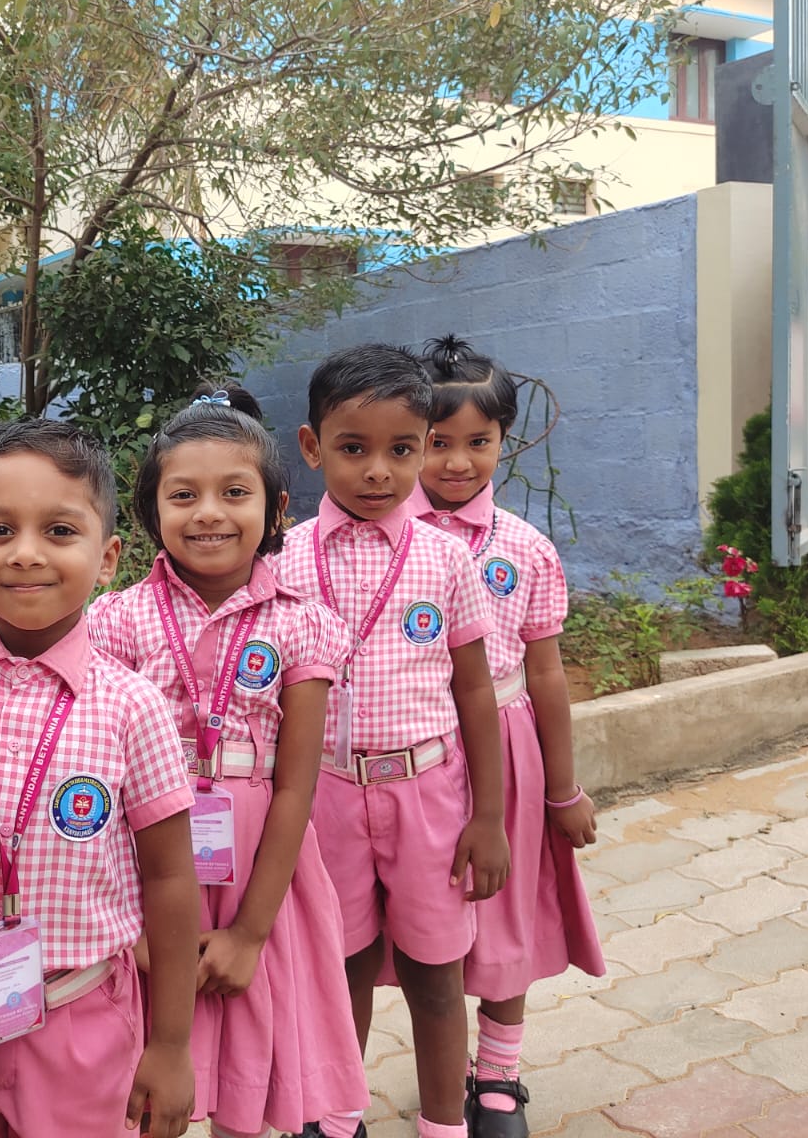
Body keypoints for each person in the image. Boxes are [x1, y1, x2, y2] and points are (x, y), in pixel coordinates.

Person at [0, 418, 200, 1138]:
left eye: (59, 531)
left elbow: (171, 881)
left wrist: (172, 1046)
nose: (26, 554)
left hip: (84, 1021)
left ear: (108, 555)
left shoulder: (133, 706)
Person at [86, 386, 369, 1138]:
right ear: (151, 512)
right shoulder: (114, 620)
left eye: (234, 492)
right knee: (148, 1072)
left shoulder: (304, 625)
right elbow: (104, 778)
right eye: (184, 495)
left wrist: (250, 931)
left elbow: (296, 787)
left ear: (276, 510)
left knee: (249, 1049)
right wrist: (129, 925)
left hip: (259, 874)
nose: (208, 511)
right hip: (145, 863)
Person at [272, 345, 511, 1138]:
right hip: (325, 798)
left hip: (429, 797)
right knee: (340, 975)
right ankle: (339, 1119)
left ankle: (446, 1123)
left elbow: (474, 689)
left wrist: (489, 817)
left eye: (401, 450)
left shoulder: (446, 558)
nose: (379, 472)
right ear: (312, 448)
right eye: (353, 449)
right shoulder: (284, 561)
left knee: (436, 976)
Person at [413, 336, 605, 1138]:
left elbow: (548, 674)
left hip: (513, 755)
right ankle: (445, 1064)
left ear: (505, 440)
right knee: (431, 923)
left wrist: (564, 789)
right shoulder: (384, 544)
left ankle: (496, 1078)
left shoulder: (524, 549)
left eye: (477, 442)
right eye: (437, 441)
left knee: (507, 914)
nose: (458, 462)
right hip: (418, 759)